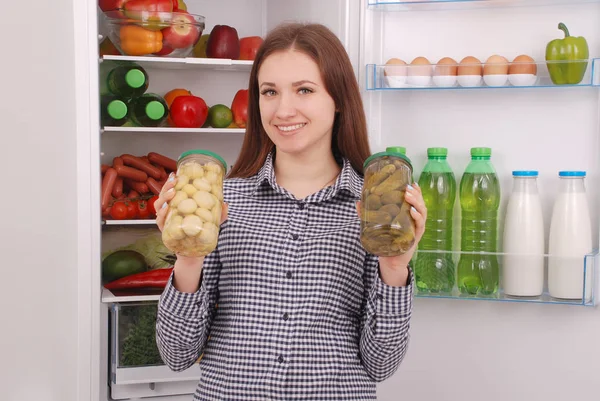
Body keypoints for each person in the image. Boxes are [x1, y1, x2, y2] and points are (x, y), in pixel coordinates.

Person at [153, 22, 427, 401]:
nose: (283, 109)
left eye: (304, 90)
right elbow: (177, 355)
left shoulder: (376, 210)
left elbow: (381, 364)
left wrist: (395, 268)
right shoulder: (220, 202)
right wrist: (187, 258)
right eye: (269, 92)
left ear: (338, 99)